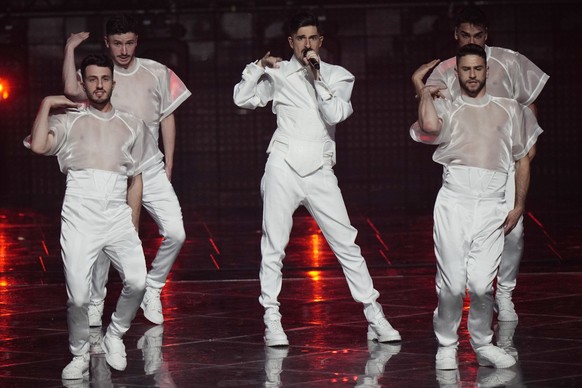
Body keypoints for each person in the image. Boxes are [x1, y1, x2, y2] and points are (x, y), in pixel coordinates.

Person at [233, 11, 401, 347]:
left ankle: (373, 313)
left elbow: (335, 113)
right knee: (274, 245)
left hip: (320, 170)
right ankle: (272, 318)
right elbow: (242, 98)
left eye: (312, 38)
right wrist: (257, 67)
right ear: (291, 42)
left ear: (320, 42)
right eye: (300, 38)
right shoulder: (278, 72)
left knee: (346, 243)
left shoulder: (339, 76)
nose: (306, 44)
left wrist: (318, 76)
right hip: (283, 163)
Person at [411, 4, 549, 322]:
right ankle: (448, 296)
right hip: (466, 166)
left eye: (476, 34)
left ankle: (505, 294)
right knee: (457, 238)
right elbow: (430, 117)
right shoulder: (446, 69)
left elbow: (529, 103)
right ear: (455, 34)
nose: (469, 38)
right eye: (464, 34)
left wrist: (529, 147)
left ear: (486, 34)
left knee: (513, 231)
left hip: (506, 160)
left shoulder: (509, 61)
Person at [24, 54, 158, 379]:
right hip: (79, 212)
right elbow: (39, 145)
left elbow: (136, 178)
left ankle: (114, 335)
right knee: (79, 296)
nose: (100, 85)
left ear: (114, 81)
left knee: (139, 281)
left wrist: (133, 224)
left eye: (105, 79)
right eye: (93, 79)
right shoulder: (69, 120)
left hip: (116, 211)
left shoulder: (131, 124)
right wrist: (47, 102)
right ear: (83, 83)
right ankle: (79, 354)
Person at [62, 14, 192, 326]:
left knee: (176, 232)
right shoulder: (102, 76)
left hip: (151, 167)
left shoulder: (157, 72)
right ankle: (96, 301)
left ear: (137, 41)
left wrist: (169, 164)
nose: (124, 50)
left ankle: (153, 287)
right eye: (117, 43)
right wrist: (69, 49)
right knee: (108, 241)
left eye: (129, 42)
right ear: (107, 43)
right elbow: (69, 89)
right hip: (114, 171)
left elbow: (167, 116)